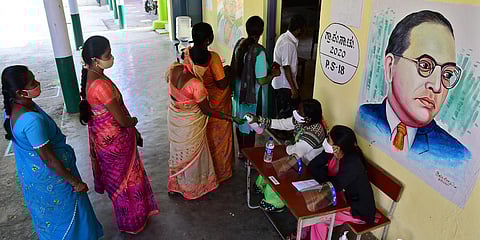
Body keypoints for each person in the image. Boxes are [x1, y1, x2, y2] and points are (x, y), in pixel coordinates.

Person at [356, 10, 471, 167]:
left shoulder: (456, 156)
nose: (437, 86)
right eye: (424, 65)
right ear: (390, 66)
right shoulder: (363, 115)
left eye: (448, 74)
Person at [2, 65, 104, 239]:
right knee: (70, 217)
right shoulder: (31, 121)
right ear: (20, 92)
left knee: (55, 219)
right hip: (56, 179)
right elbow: (48, 158)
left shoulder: (16, 109)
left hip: (38, 179)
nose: (37, 83)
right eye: (32, 82)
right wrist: (74, 182)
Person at [79, 36, 159, 234]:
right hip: (115, 142)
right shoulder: (100, 85)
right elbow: (122, 120)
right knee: (127, 181)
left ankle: (132, 218)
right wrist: (134, 123)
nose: (112, 58)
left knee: (122, 181)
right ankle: (133, 221)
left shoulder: (94, 75)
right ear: (95, 60)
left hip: (105, 140)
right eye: (108, 55)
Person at [167, 44, 242, 199]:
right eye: (202, 66)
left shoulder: (175, 69)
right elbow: (207, 110)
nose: (203, 70)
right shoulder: (196, 84)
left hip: (176, 118)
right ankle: (192, 187)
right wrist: (230, 117)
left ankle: (178, 183)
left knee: (180, 151)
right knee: (194, 154)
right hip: (191, 123)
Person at [250, 99, 327, 212]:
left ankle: (276, 202)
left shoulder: (315, 132)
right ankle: (263, 185)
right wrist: (261, 120)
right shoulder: (302, 120)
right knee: (270, 163)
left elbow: (297, 151)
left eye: (299, 112)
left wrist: (286, 146)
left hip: (305, 165)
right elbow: (283, 124)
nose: (296, 112)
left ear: (308, 119)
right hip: (295, 155)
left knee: (280, 169)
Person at [304, 126, 378, 240]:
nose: (326, 140)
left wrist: (323, 188)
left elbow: (334, 186)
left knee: (319, 218)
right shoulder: (333, 152)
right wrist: (326, 182)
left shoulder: (352, 164)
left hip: (357, 210)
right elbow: (313, 166)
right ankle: (305, 234)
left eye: (328, 139)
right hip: (341, 198)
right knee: (312, 208)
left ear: (337, 148)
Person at [183, 22, 234, 183]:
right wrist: (228, 71)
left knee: (204, 136)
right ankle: (221, 172)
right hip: (216, 103)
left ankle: (206, 171)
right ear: (208, 40)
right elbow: (222, 84)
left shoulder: (187, 53)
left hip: (198, 102)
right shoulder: (213, 57)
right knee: (220, 137)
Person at [230, 16, 280, 160]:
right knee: (251, 125)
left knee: (240, 122)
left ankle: (241, 152)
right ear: (261, 31)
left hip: (239, 93)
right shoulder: (259, 52)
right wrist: (274, 74)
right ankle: (249, 158)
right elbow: (262, 79)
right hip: (252, 96)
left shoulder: (239, 44)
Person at [271, 14, 306, 119]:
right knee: (287, 113)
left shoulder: (284, 37)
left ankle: (280, 131)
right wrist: (293, 89)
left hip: (283, 83)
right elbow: (286, 68)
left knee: (284, 112)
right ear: (299, 29)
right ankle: (281, 133)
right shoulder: (288, 44)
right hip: (284, 85)